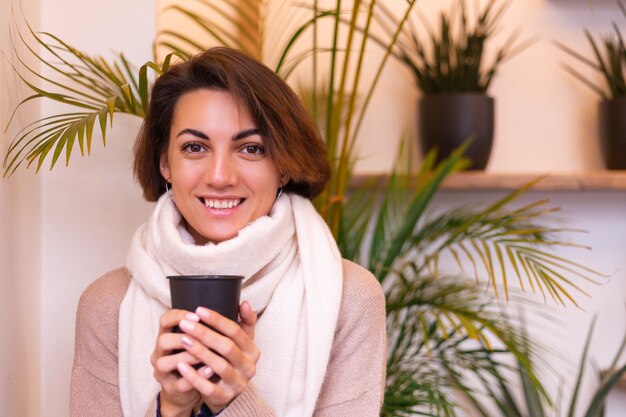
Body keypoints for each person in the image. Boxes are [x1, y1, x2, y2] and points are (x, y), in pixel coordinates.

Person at [70, 47, 387, 417]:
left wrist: (232, 400)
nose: (220, 176)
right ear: (164, 163)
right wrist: (171, 407)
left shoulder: (348, 298)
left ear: (284, 167)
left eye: (251, 148)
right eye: (194, 147)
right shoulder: (108, 306)